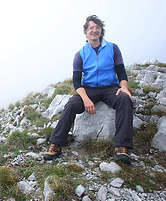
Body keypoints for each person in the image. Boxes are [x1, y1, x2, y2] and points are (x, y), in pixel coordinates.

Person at [43, 15, 133, 164]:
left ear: (101, 31)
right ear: (85, 31)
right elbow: (77, 82)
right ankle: (56, 145)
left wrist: (124, 87)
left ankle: (122, 146)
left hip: (110, 87)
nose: (94, 30)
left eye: (97, 27)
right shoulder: (80, 54)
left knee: (124, 99)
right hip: (89, 89)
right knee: (71, 104)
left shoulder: (112, 48)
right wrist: (85, 99)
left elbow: (121, 72)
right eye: (91, 27)